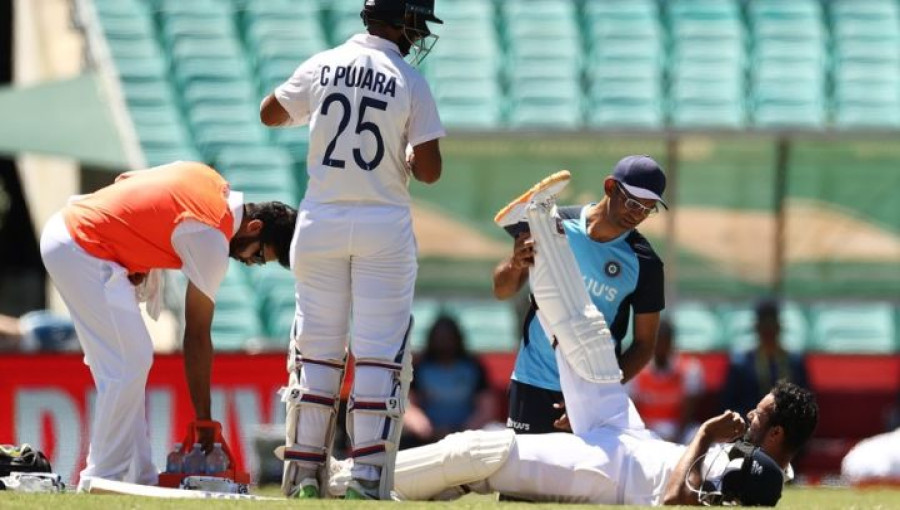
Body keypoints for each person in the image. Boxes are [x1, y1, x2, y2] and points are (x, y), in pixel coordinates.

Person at [328, 178, 819, 506]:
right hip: (627, 431)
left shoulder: (755, 479)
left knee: (481, 453)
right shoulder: (755, 463)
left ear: (778, 435)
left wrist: (706, 435)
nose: (751, 415)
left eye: (761, 412)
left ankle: (351, 479)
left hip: (614, 469)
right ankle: (539, 222)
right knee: (587, 336)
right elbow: (501, 287)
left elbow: (671, 502)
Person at [258, 0, 445, 500]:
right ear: (401, 22)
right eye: (416, 24)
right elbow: (429, 170)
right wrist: (400, 150)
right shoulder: (408, 79)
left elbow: (270, 113)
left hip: (320, 219)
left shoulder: (323, 63)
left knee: (316, 352)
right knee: (379, 355)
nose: (417, 35)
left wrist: (320, 114)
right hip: (382, 224)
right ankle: (364, 480)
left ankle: (301, 478)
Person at [39, 161, 297, 490]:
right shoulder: (211, 239)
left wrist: (135, 253)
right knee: (129, 362)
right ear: (255, 226)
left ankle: (139, 478)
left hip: (73, 234)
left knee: (123, 368)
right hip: (82, 245)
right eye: (259, 256)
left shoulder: (210, 180)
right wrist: (204, 418)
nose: (250, 262)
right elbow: (197, 335)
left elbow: (127, 182)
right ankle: (100, 478)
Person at [492, 156, 667, 436]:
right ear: (610, 187)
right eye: (633, 203)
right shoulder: (555, 223)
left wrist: (595, 397)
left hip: (588, 392)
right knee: (521, 479)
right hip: (531, 379)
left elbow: (645, 345)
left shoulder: (646, 262)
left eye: (648, 209)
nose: (637, 214)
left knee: (580, 479)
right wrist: (515, 264)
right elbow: (502, 290)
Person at [403, 314, 497, 447]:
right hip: (427, 437)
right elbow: (408, 405)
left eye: (448, 337)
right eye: (440, 337)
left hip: (468, 437)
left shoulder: (473, 367)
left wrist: (466, 430)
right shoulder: (419, 367)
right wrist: (423, 426)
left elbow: (486, 407)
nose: (444, 341)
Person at [721, 299, 810, 418]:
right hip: (750, 426)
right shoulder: (741, 363)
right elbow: (729, 406)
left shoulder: (794, 362)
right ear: (757, 328)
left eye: (772, 326)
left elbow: (806, 403)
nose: (769, 332)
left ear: (779, 327)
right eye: (765, 327)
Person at [628, 318, 705, 443]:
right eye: (657, 342)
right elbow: (633, 409)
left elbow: (689, 410)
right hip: (647, 431)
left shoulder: (690, 368)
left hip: (679, 431)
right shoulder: (637, 371)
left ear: (671, 342)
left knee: (698, 437)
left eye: (665, 341)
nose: (661, 347)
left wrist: (675, 437)